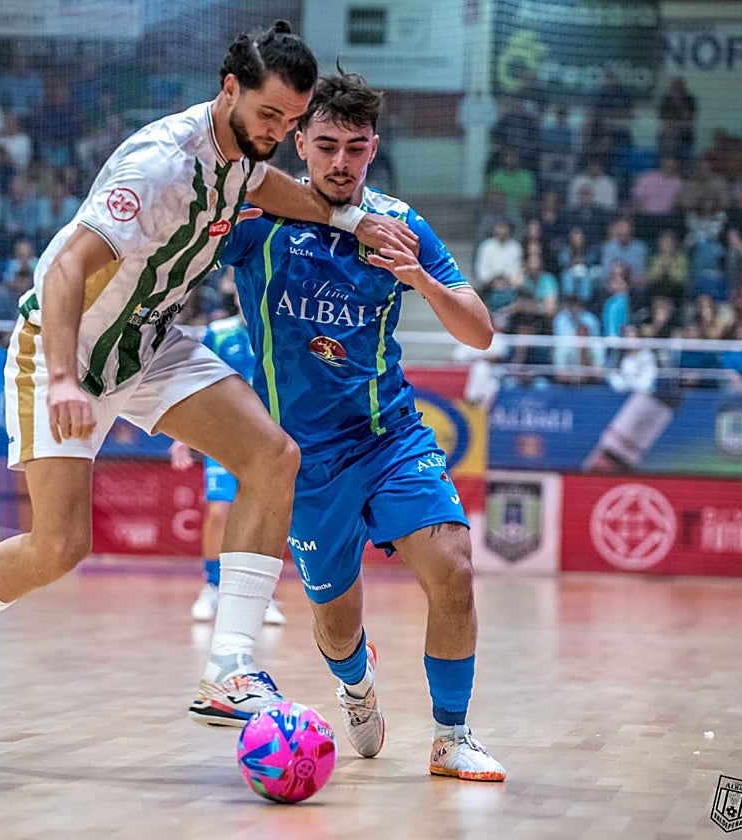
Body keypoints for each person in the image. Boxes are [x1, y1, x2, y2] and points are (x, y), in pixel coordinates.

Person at [0, 21, 417, 733]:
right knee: (60, 548)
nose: (279, 132)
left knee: (273, 456)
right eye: (270, 115)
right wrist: (61, 379)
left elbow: (267, 184)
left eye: (293, 121)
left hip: (148, 345)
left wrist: (348, 216)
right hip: (63, 353)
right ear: (229, 90)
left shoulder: (246, 148)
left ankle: (229, 668)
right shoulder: (158, 164)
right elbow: (63, 269)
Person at [218, 71, 505, 780]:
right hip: (307, 463)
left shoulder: (400, 225)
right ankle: (355, 686)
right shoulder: (260, 220)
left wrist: (425, 282)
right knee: (338, 625)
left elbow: (480, 332)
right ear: (300, 146)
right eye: (325, 146)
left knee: (455, 569)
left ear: (373, 147)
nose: (340, 162)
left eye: (354, 147)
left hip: (390, 436)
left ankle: (451, 736)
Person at [169, 308, 285, 626]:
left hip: (268, 441)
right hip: (224, 437)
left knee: (264, 517)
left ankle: (264, 596)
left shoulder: (280, 326)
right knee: (219, 511)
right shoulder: (218, 333)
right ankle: (212, 586)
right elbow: (195, 383)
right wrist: (182, 436)